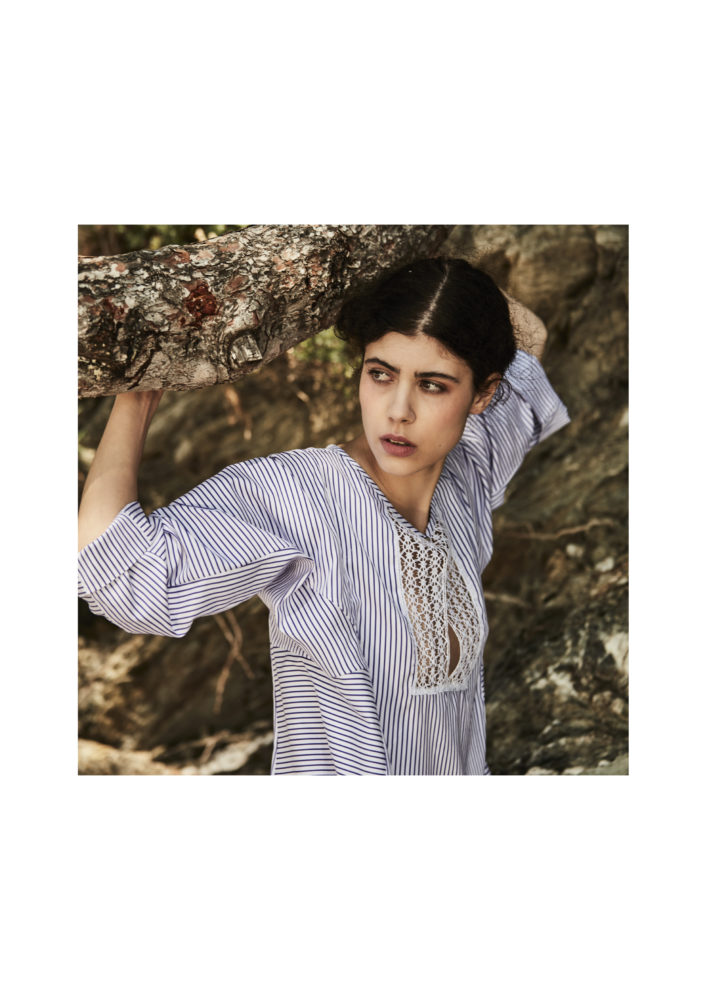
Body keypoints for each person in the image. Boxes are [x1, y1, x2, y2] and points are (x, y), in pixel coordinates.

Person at [78, 257, 570, 775]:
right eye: (380, 374)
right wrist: (139, 393)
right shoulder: (298, 494)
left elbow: (529, 341)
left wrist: (425, 266)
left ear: (483, 394)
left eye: (432, 385)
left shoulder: (468, 476)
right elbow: (122, 578)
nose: (398, 410)